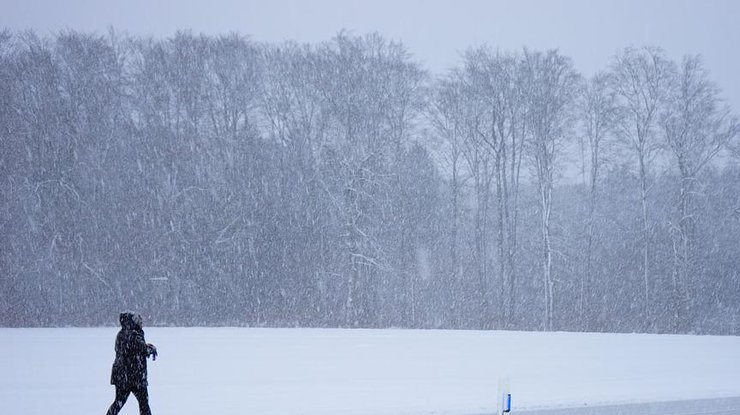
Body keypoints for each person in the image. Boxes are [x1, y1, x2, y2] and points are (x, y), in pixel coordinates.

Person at [106, 312, 158, 415]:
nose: (140, 323)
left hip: (122, 376)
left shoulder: (122, 334)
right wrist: (151, 348)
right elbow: (141, 348)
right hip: (133, 376)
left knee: (119, 402)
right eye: (137, 320)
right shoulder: (133, 334)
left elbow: (133, 348)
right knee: (143, 403)